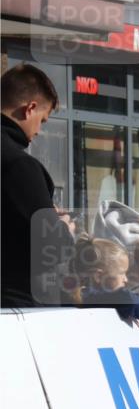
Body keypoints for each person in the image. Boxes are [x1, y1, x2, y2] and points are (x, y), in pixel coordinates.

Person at [1, 64, 76, 307]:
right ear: (30, 108)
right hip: (15, 307)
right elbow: (50, 247)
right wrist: (63, 229)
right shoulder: (18, 165)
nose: (40, 131)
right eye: (42, 120)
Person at [66, 236, 139, 324]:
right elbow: (129, 300)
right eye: (122, 273)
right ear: (98, 276)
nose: (126, 279)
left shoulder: (84, 294)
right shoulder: (98, 297)